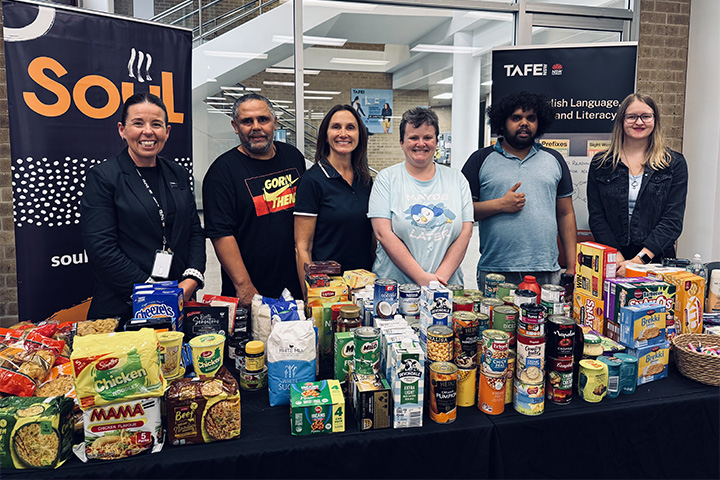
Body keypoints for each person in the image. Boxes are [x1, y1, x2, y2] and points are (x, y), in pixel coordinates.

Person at [81, 92, 206, 322]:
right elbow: (102, 249)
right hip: (122, 309)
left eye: (156, 124)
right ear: (122, 129)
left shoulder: (177, 173)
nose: (148, 131)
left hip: (179, 300)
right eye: (138, 123)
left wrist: (192, 278)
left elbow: (194, 231)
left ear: (167, 132)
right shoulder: (104, 177)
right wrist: (151, 293)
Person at [461, 91, 577, 291]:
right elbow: (461, 212)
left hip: (546, 271)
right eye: (516, 118)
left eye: (531, 118)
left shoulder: (554, 159)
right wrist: (499, 205)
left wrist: (573, 265)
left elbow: (565, 213)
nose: (524, 123)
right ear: (502, 122)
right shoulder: (479, 160)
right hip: (496, 271)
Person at [203, 93, 305, 306]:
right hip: (252, 293)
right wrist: (246, 289)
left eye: (263, 119)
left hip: (295, 286)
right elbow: (221, 234)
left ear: (275, 123)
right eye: (247, 121)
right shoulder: (221, 172)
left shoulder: (293, 157)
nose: (256, 127)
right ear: (235, 126)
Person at [368, 107, 474, 286]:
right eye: (413, 138)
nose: (421, 143)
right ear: (401, 142)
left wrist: (439, 278)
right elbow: (382, 233)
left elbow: (466, 232)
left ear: (436, 141)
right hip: (394, 288)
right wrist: (422, 278)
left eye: (427, 137)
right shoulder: (387, 179)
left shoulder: (457, 179)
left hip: (446, 284)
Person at [587, 93, 688, 276]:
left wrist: (638, 261)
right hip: (612, 261)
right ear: (621, 121)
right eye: (632, 117)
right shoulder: (601, 163)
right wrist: (615, 256)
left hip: (656, 261)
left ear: (655, 120)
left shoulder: (673, 164)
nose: (639, 122)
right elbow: (597, 216)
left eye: (646, 116)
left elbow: (672, 220)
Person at [294, 105, 374, 292]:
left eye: (350, 127)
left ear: (360, 135)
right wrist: (311, 296)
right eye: (336, 127)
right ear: (326, 134)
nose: (343, 133)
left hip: (363, 285)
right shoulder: (312, 181)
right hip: (328, 288)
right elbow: (302, 248)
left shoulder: (365, 180)